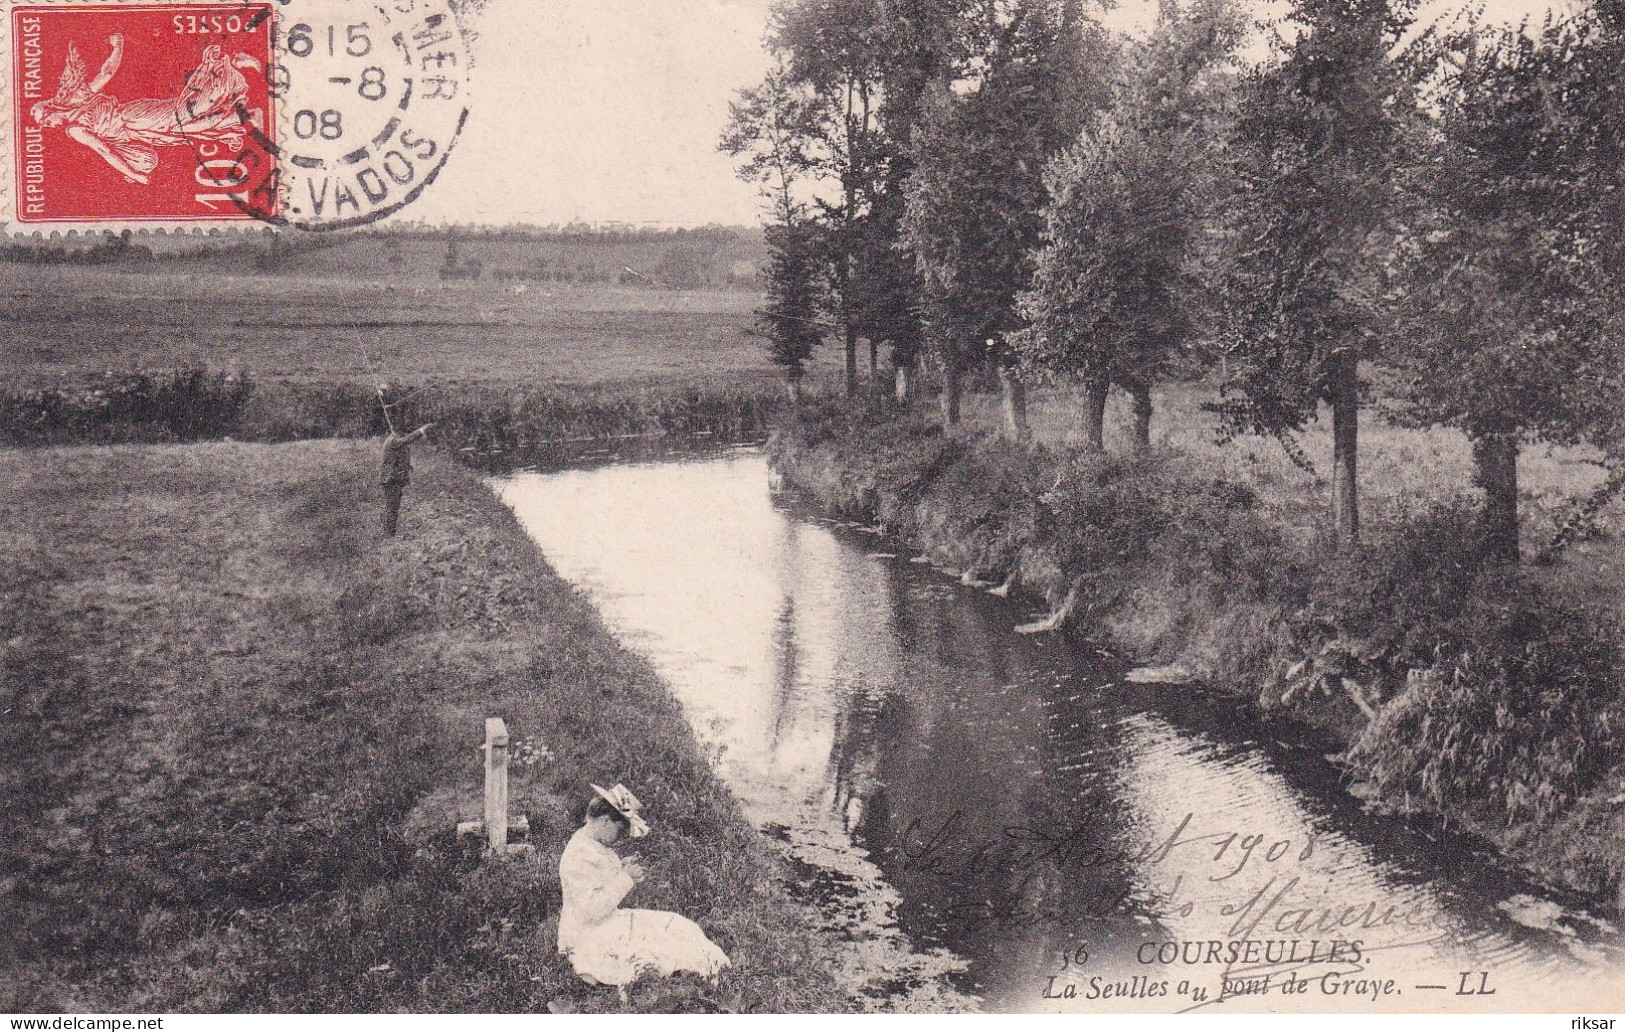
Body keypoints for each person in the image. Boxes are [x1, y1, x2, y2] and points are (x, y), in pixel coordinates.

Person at [556, 783, 731, 986]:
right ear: (605, 822)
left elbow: (598, 878)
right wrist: (625, 879)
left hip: (607, 922)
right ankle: (702, 974)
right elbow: (593, 908)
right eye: (620, 830)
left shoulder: (592, 844)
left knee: (675, 924)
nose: (620, 837)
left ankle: (711, 966)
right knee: (656, 947)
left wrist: (621, 869)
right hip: (587, 934)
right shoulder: (579, 855)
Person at [33, 36, 264, 185]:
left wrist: (118, 47)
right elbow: (109, 149)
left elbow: (106, 76)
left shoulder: (76, 123)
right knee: (189, 128)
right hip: (139, 131)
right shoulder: (73, 123)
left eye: (44, 119)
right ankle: (244, 118)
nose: (47, 125)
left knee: (184, 115)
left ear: (50, 108)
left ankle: (228, 65)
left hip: (133, 116)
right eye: (43, 125)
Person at [380, 422, 434, 536]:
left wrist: (407, 466)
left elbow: (399, 457)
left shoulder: (396, 440)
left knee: (393, 507)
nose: (405, 433)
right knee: (392, 508)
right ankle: (388, 535)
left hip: (394, 479)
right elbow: (406, 441)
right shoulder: (394, 440)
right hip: (391, 480)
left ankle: (389, 533)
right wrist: (421, 430)